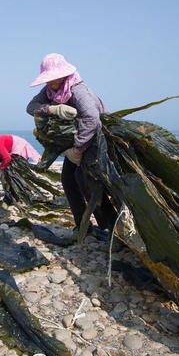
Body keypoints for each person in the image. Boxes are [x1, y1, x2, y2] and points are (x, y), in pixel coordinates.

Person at [26, 53, 117, 231]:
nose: (51, 82)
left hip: (96, 139)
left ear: (64, 75)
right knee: (68, 180)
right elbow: (31, 107)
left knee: (88, 182)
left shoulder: (77, 90)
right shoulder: (50, 91)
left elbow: (92, 119)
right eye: (48, 78)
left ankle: (112, 227)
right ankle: (83, 226)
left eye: (54, 78)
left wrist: (78, 149)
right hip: (77, 139)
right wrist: (52, 108)